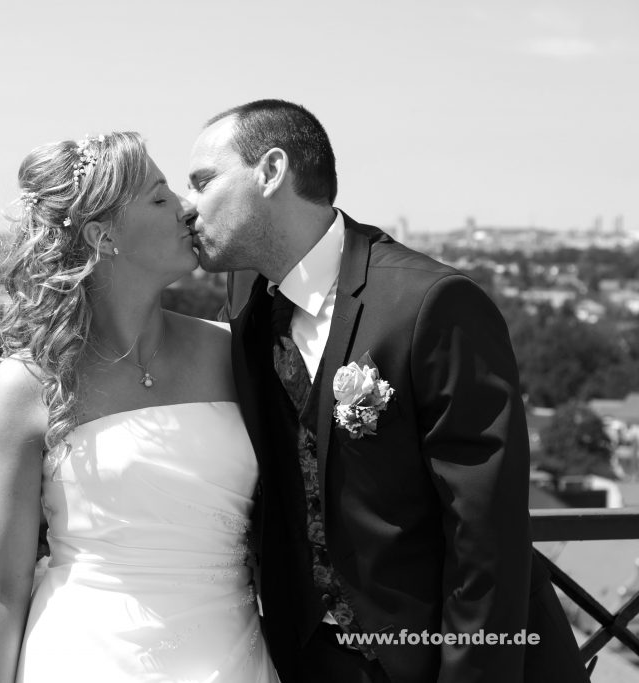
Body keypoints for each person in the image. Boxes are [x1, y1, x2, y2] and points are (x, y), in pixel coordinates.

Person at [186, 99, 590, 683]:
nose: (187, 206)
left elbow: (486, 535)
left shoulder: (433, 304)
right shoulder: (247, 300)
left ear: (270, 172)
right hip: (303, 658)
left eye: (203, 181)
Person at [0, 131, 280, 683]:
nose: (187, 208)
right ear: (102, 234)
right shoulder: (29, 384)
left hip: (234, 656)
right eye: (160, 198)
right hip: (81, 657)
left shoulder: (235, 354)